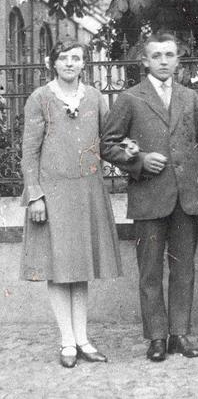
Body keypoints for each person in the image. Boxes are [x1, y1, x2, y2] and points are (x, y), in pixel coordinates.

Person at [101, 32, 198, 362]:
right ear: (145, 60)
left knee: (184, 269)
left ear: (178, 59)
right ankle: (156, 337)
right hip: (149, 197)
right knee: (150, 270)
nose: (164, 61)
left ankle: (179, 334)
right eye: (157, 56)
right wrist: (139, 161)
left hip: (187, 197)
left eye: (170, 55)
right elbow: (107, 144)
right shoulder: (130, 98)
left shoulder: (190, 97)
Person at [20, 40, 122, 368]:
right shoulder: (40, 98)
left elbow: (109, 142)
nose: (69, 63)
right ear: (53, 63)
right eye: (63, 58)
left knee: (80, 269)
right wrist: (35, 195)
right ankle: (67, 341)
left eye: (76, 58)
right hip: (52, 194)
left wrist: (131, 154)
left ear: (84, 64)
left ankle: (83, 339)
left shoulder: (94, 98)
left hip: (87, 192)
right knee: (58, 267)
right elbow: (29, 150)